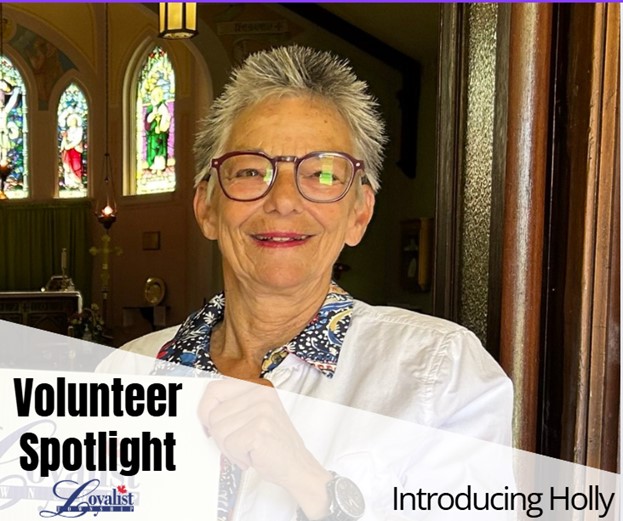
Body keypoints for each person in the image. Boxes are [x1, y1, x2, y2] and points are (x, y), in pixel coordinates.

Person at [105, 45, 513, 521]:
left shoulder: (439, 372)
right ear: (207, 208)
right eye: (252, 170)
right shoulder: (126, 372)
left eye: (321, 173)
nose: (282, 200)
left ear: (359, 213)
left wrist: (311, 483)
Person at [144, 85, 171, 173]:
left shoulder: (163, 106)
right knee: (152, 150)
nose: (157, 97)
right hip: (152, 135)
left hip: (161, 133)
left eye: (158, 95)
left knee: (160, 150)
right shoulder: (150, 108)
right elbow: (147, 120)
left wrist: (163, 123)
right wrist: (153, 115)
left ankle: (160, 167)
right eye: (155, 96)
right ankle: (153, 166)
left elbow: (167, 117)